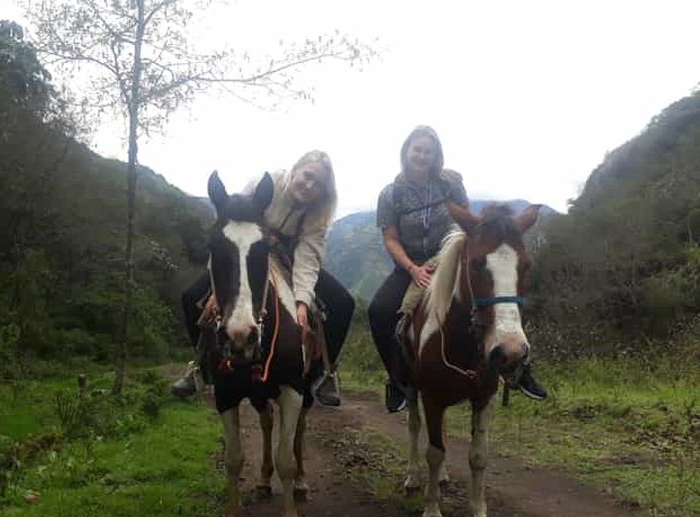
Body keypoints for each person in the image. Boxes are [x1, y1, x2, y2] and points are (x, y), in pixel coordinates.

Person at [368, 126, 547, 413]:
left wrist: (448, 256)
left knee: (498, 295)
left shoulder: (449, 183)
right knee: (379, 311)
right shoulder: (390, 194)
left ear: (436, 155)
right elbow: (390, 238)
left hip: (451, 258)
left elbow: (468, 222)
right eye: (417, 149)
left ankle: (519, 369)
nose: (422, 156)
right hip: (411, 266)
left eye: (429, 151)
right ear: (406, 151)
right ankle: (398, 378)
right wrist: (413, 268)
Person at [171, 150, 355, 406]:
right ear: (295, 170)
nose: (309, 185)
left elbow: (308, 256)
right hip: (250, 253)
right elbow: (229, 232)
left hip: (291, 260)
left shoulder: (318, 214)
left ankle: (323, 372)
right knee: (192, 297)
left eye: (318, 184)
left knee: (343, 303)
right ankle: (201, 366)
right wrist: (217, 290)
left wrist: (302, 302)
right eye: (307, 176)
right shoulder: (263, 186)